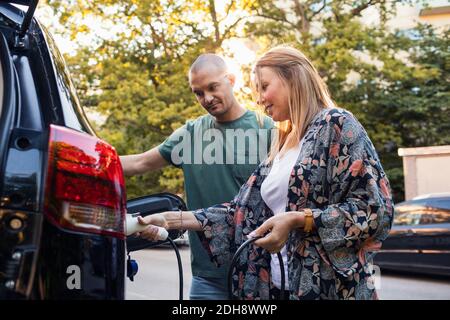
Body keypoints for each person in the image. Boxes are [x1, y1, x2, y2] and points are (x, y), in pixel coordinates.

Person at [136, 46, 394, 300]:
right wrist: (170, 220)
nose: (259, 99)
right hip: (276, 288)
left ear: (293, 78)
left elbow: (375, 209)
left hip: (327, 289)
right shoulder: (283, 141)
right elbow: (242, 212)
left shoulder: (336, 124)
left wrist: (298, 219)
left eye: (264, 87)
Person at [120, 53, 274, 300]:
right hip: (207, 278)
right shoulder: (189, 135)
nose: (207, 98)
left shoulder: (267, 129)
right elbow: (139, 162)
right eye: (198, 93)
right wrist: (85, 158)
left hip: (260, 273)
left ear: (231, 80)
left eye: (213, 87)